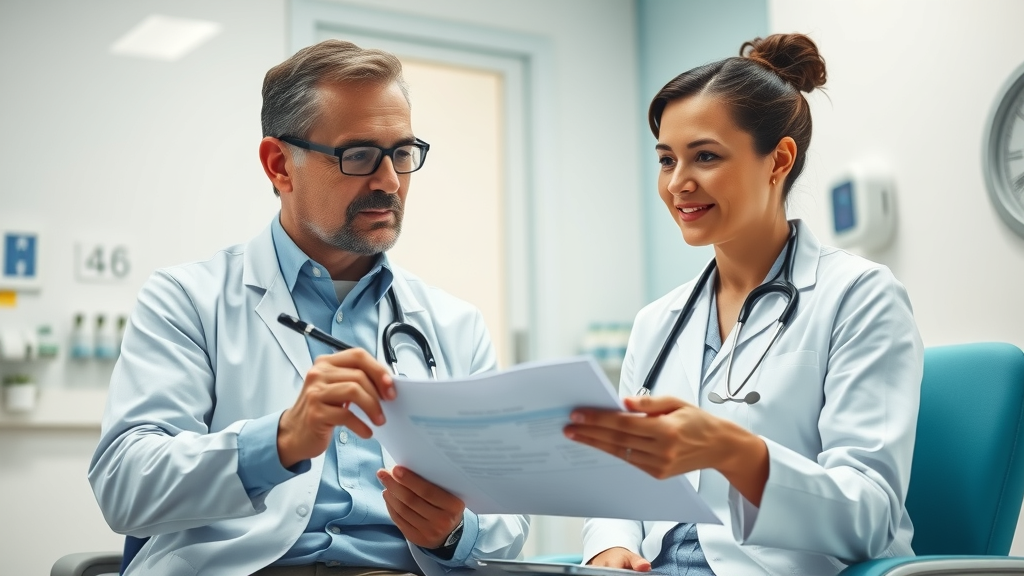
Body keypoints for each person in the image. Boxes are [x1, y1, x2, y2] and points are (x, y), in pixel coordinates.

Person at [88, 39, 528, 576]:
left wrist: (454, 530)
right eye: (359, 155)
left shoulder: (453, 325)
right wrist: (278, 441)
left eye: (403, 153)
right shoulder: (187, 300)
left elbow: (510, 519)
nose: (389, 181)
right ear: (280, 165)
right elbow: (124, 487)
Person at [564, 33, 922, 575]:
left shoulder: (860, 297)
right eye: (666, 160)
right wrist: (608, 547)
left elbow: (870, 515)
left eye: (704, 156)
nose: (678, 183)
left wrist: (734, 453)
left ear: (778, 160)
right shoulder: (657, 322)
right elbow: (623, 480)